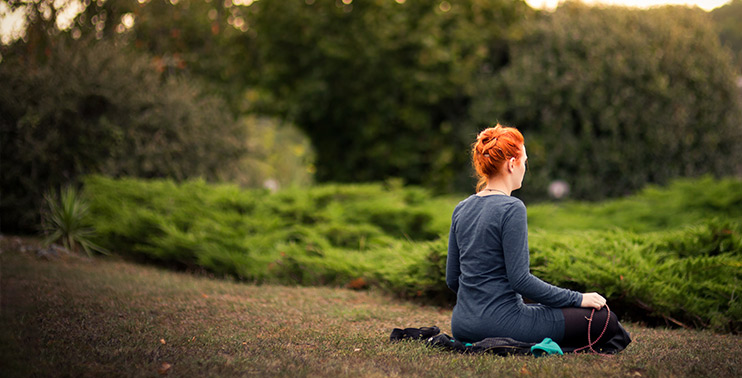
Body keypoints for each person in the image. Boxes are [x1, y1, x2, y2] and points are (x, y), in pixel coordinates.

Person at [446, 124, 629, 351]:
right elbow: (521, 281)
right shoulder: (512, 208)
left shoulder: (461, 208)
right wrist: (578, 298)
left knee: (547, 312)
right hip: (502, 323)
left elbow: (452, 278)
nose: (525, 167)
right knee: (604, 320)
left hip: (462, 324)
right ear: (512, 164)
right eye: (524, 161)